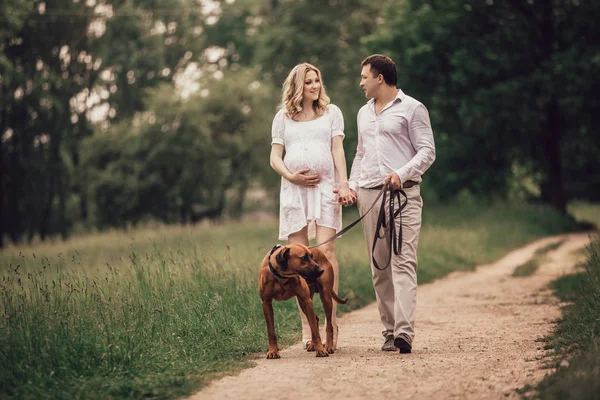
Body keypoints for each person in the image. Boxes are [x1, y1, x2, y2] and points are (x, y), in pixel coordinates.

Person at [341, 54, 436, 354]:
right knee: (379, 267)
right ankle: (389, 329)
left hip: (404, 195)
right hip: (370, 195)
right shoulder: (363, 113)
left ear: (380, 77)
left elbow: (427, 152)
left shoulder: (412, 108)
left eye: (364, 77)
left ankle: (404, 333)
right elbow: (360, 153)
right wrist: (353, 186)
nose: (361, 83)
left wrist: (401, 173)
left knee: (403, 261)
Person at [270, 63, 353, 349]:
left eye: (317, 80)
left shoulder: (332, 113)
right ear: (297, 86)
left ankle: (331, 325)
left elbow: (337, 149)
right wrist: (291, 175)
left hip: (325, 187)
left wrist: (344, 184)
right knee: (298, 259)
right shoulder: (283, 117)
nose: (315, 86)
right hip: (294, 190)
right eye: (308, 82)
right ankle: (309, 329)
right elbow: (275, 156)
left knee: (326, 251)